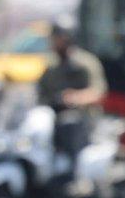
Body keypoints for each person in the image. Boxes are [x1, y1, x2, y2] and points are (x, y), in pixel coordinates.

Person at [36, 19, 107, 176]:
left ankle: (76, 175)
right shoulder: (51, 66)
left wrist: (74, 98)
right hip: (53, 117)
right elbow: (40, 95)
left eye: (58, 37)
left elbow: (98, 93)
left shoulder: (85, 63)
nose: (55, 41)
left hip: (83, 118)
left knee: (70, 123)